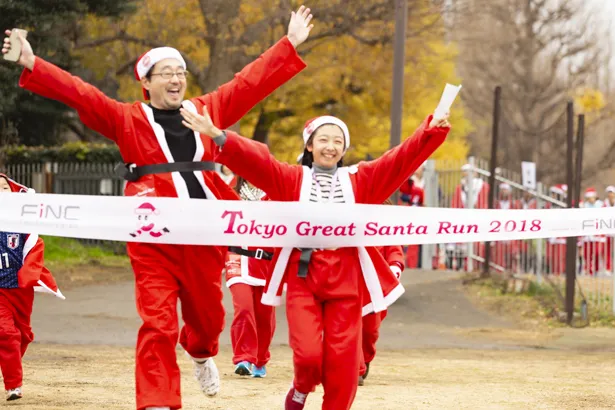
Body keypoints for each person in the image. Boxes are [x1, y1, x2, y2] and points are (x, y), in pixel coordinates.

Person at [3, 7, 313, 410]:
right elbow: (80, 92)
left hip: (205, 230)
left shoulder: (206, 110)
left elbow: (249, 84)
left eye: (180, 72)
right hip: (152, 235)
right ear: (146, 83)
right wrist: (31, 61)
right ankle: (158, 401)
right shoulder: (126, 118)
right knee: (158, 321)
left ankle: (200, 353)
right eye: (165, 73)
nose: (176, 78)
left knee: (207, 322)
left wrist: (288, 43)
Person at [179, 106, 451, 409]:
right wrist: (219, 136)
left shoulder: (360, 179)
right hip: (303, 275)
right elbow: (258, 163)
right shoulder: (292, 179)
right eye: (323, 140)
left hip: (346, 279)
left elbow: (399, 159)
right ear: (309, 145)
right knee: (308, 356)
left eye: (338, 141)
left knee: (344, 367)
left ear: (344, 148)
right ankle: (301, 387)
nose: (330, 146)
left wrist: (431, 129)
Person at [0, 174, 63, 401]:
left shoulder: (24, 223)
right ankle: (13, 385)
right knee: (5, 333)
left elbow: (36, 247)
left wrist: (29, 274)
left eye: (4, 187)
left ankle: (8, 361)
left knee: (22, 335)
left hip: (20, 290)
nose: (1, 191)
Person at [224, 177, 276, 378]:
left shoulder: (274, 189)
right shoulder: (230, 189)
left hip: (266, 262)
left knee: (264, 316)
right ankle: (243, 357)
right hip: (237, 258)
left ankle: (260, 359)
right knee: (244, 308)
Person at [358, 236, 404, 386]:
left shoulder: (381, 217)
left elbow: (393, 246)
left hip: (375, 283)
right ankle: (355, 367)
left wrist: (395, 265)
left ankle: (365, 358)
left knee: (370, 329)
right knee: (347, 325)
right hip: (348, 276)